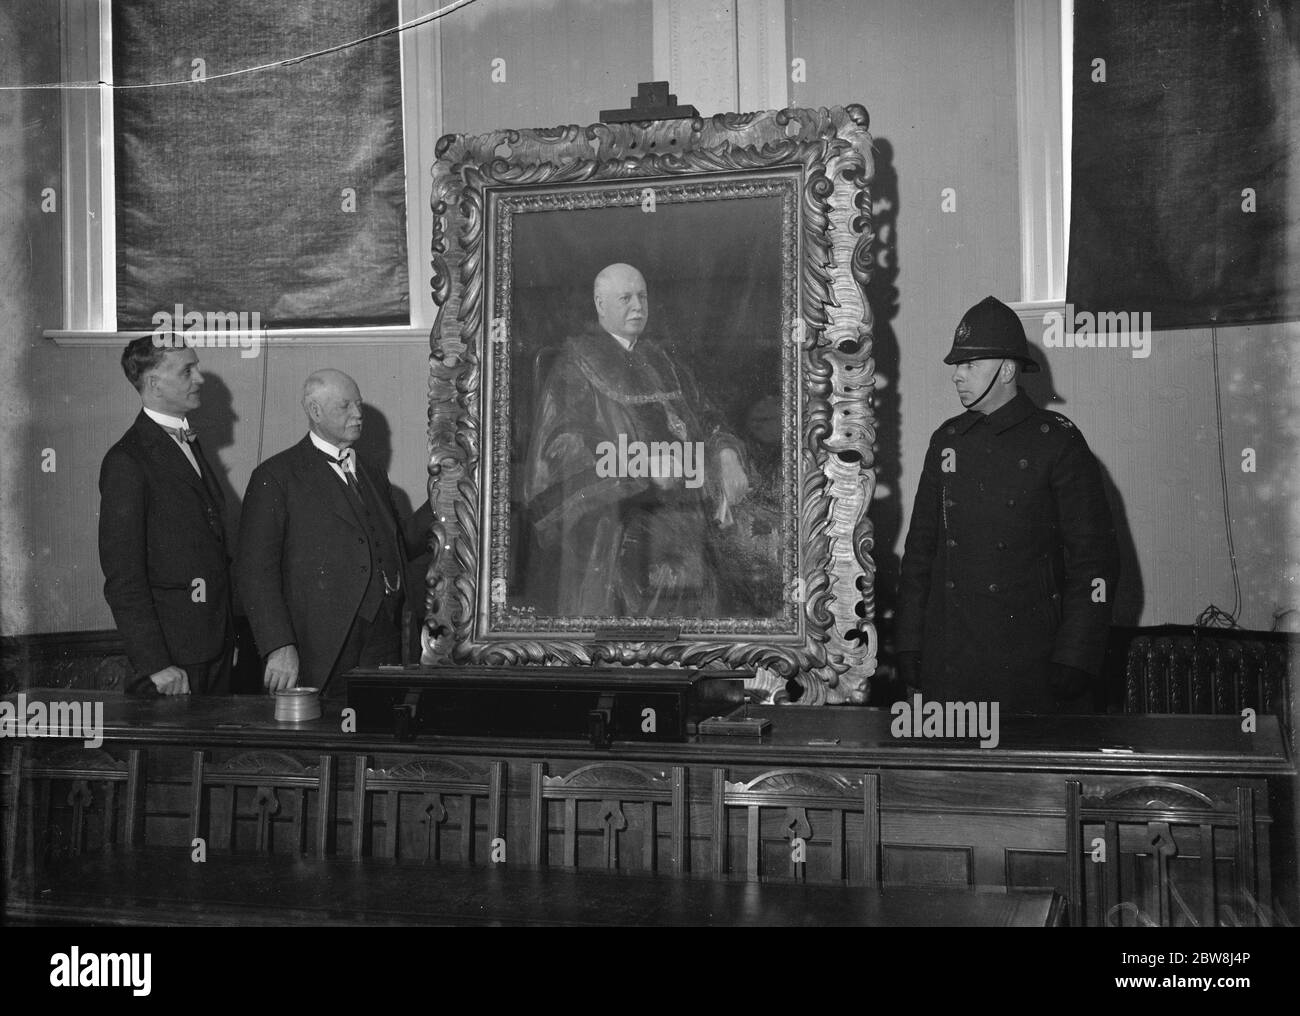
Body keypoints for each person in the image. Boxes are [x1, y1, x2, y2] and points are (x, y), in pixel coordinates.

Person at [896, 296, 1120, 713]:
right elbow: (919, 555)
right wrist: (909, 643)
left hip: (1029, 669)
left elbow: (1095, 562)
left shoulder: (1057, 441)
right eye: (957, 367)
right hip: (951, 667)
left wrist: (1076, 655)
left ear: (1008, 370)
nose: (957, 377)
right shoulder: (947, 440)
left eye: (970, 366)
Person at [522, 262, 749, 617]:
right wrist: (639, 464)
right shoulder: (575, 365)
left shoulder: (661, 360)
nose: (638, 307)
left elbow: (705, 416)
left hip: (686, 532)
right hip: (616, 538)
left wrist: (726, 454)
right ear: (600, 304)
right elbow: (561, 448)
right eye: (625, 298)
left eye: (642, 296)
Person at [237, 369, 406, 705]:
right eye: (345, 407)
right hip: (319, 649)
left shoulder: (372, 472)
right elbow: (255, 572)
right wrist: (278, 646)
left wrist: (445, 502)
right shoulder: (276, 476)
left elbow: (395, 545)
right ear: (315, 412)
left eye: (358, 405)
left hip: (383, 641)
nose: (358, 414)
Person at [98, 337, 234, 695]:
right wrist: (155, 664)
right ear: (155, 383)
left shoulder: (188, 443)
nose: (200, 378)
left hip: (213, 645)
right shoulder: (126, 461)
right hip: (173, 663)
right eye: (188, 370)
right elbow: (122, 576)